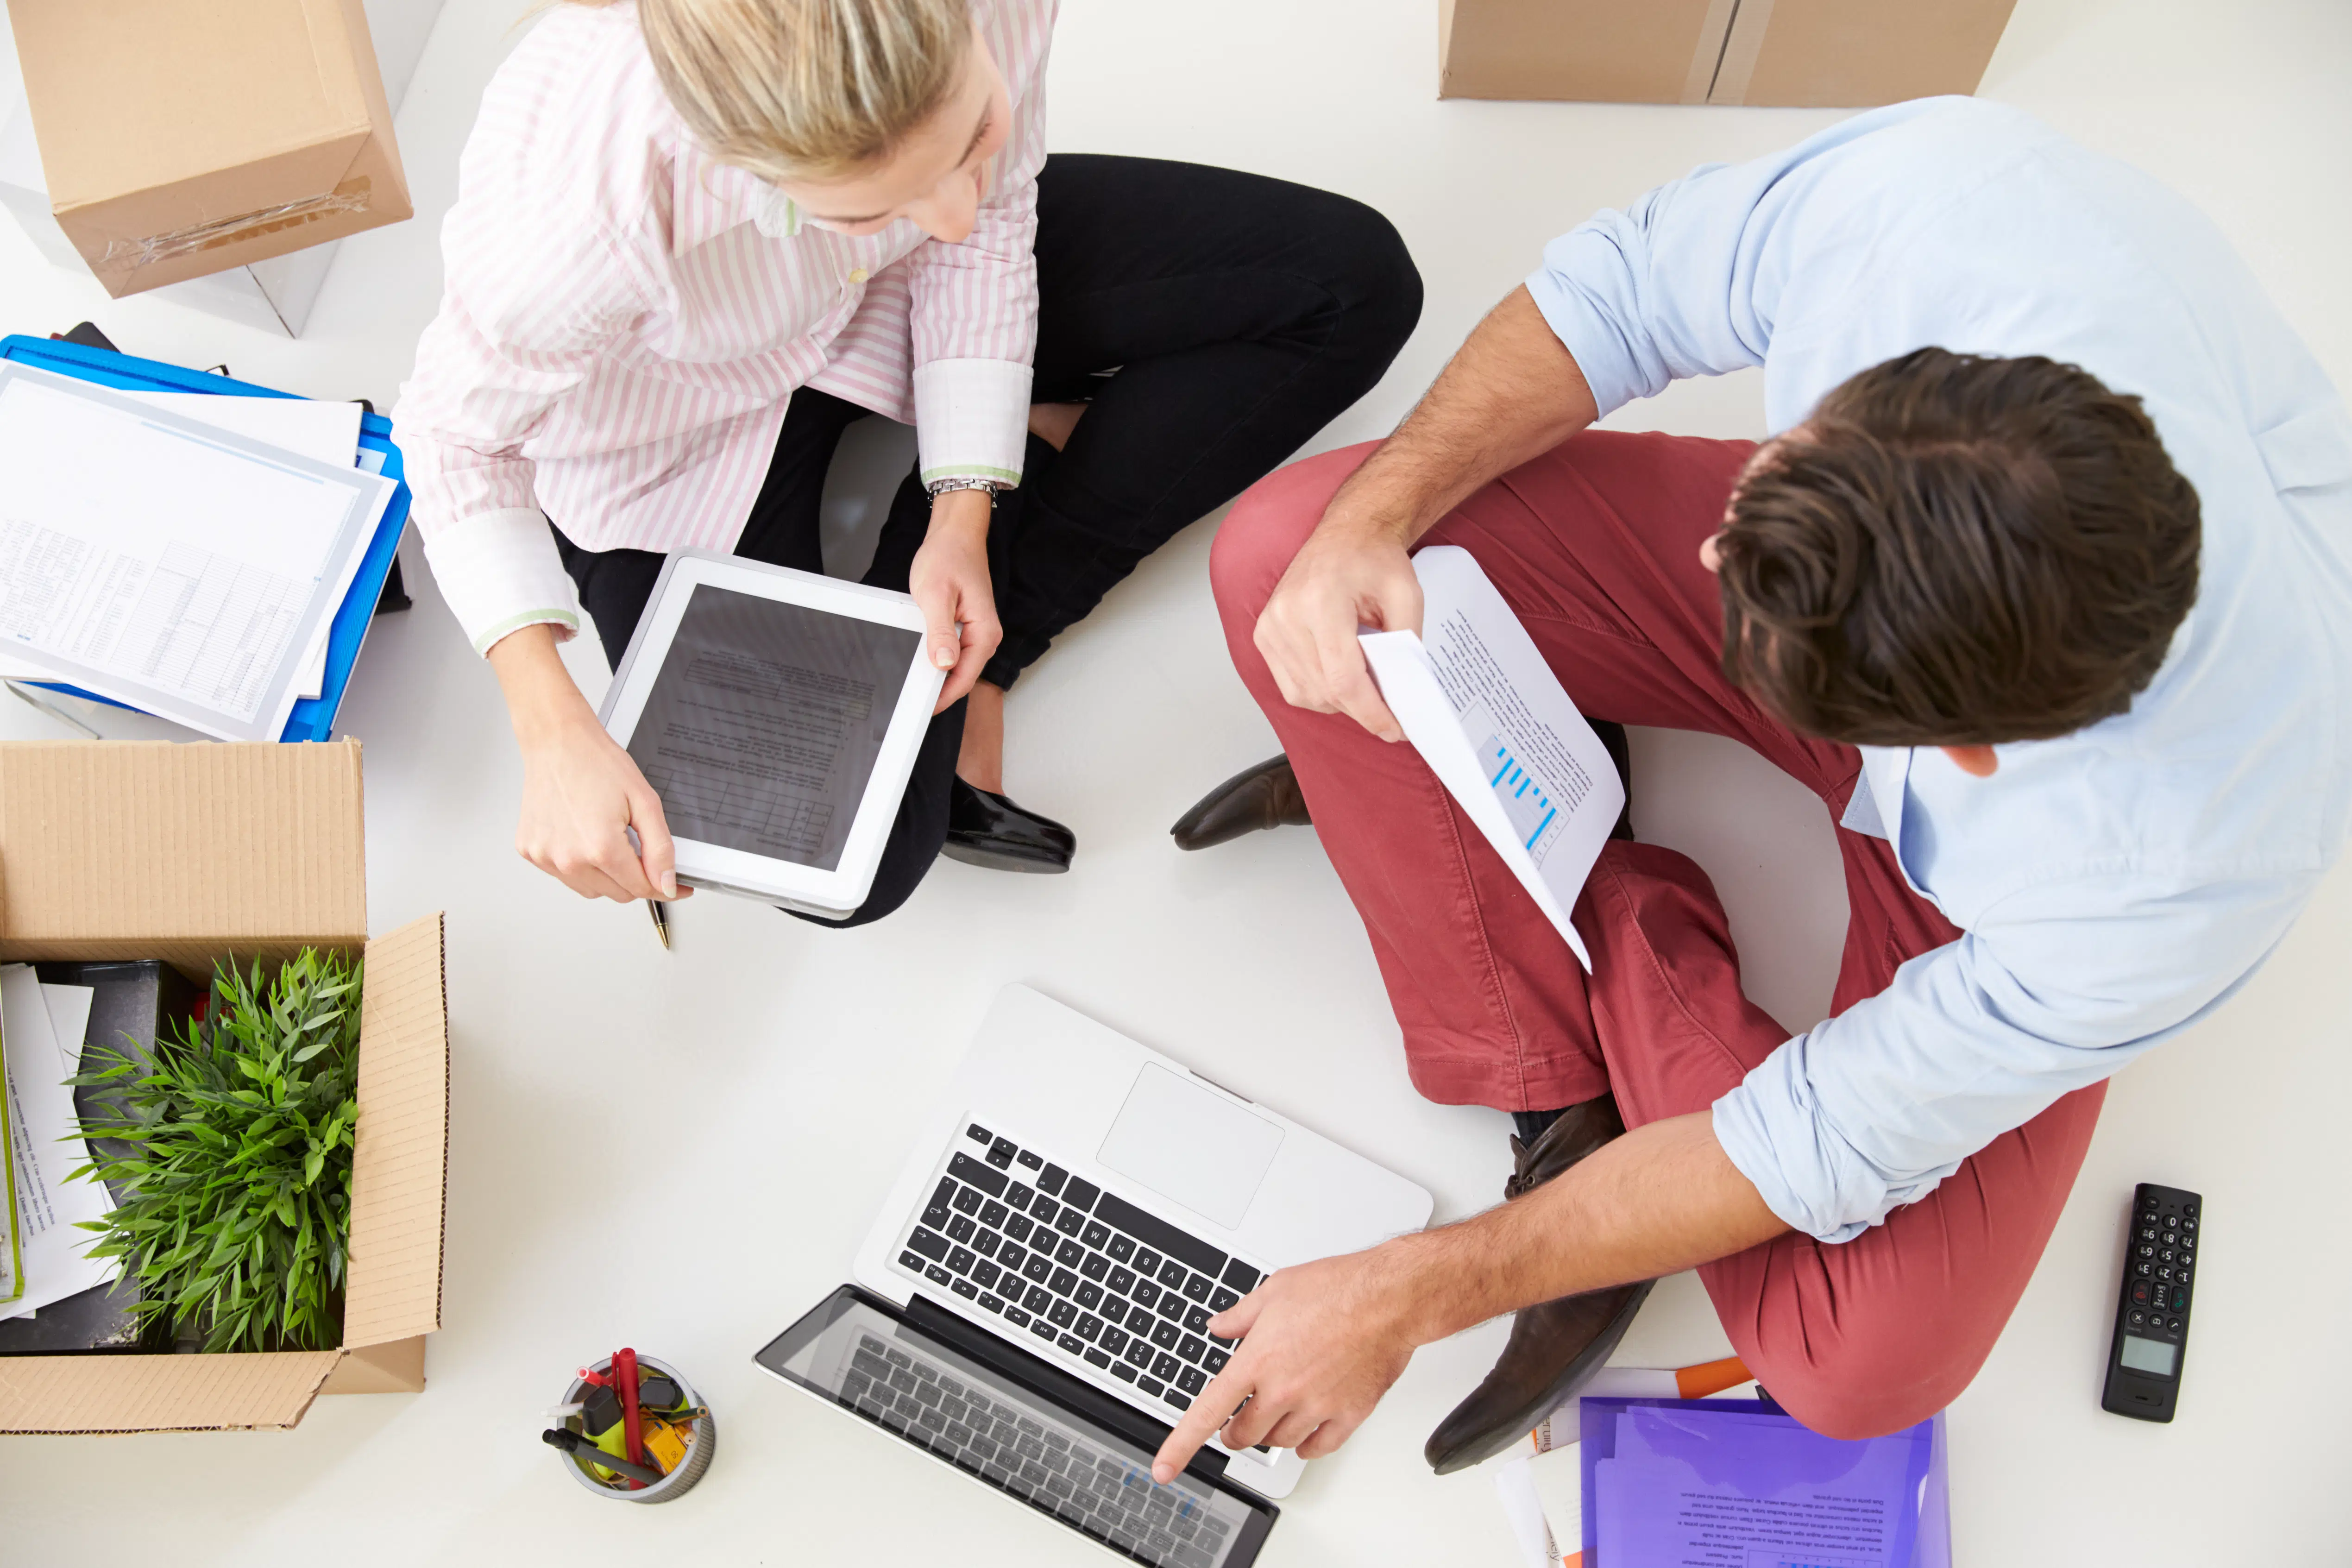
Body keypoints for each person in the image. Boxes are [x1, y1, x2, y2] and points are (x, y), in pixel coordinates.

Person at [1151, 95, 2352, 1484]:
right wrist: (1372, 520)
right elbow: (1611, 297)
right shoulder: (1938, 212)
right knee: (1287, 555)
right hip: (1918, 582)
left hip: (1997, 891)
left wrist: (1417, 1288)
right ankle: (1553, 1076)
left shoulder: (2169, 878)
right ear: (1878, 404)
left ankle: (1557, 857)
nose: (1712, 565)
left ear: (1954, 753)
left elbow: (1813, 1140)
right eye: (1765, 493)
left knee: (1861, 1366)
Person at [395, 0, 1419, 924]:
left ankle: (996, 632)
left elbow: (983, 238)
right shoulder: (579, 207)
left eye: (973, 133)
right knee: (844, 861)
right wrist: (551, 726)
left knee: (1353, 285)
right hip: (665, 440)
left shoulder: (976, 85)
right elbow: (452, 436)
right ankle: (1025, 472)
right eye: (859, 202)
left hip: (882, 302)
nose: (953, 212)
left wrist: (962, 510)